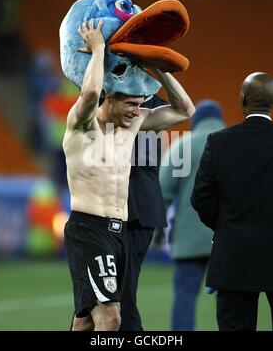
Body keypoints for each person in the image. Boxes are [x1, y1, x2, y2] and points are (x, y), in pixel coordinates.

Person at [63, 19, 195, 331]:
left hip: (119, 231)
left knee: (85, 319)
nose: (138, 111)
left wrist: (157, 65)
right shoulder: (81, 126)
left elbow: (185, 110)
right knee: (111, 318)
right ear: (110, 97)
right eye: (131, 103)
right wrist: (98, 50)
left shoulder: (133, 124)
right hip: (89, 230)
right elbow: (91, 89)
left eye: (140, 104)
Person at [191, 72, 273, 331]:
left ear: (242, 99)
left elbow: (201, 197)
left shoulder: (219, 142)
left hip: (234, 258)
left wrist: (225, 226)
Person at [158, 100, 225, 330]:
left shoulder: (182, 147)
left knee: (185, 296)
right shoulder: (235, 146)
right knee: (232, 302)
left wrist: (157, 234)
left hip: (188, 240)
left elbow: (162, 195)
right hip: (229, 240)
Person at [119, 94, 168, 331]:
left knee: (119, 293)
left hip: (130, 202)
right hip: (142, 201)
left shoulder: (108, 98)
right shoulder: (157, 103)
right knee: (113, 291)